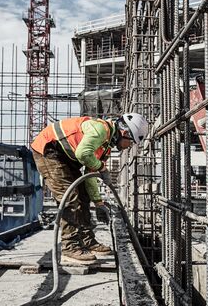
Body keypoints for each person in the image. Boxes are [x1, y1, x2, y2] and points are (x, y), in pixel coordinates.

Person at [30, 113, 149, 264]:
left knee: (83, 195)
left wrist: (98, 203)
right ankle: (70, 248)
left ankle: (87, 241)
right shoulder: (100, 130)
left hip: (66, 157)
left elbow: (89, 175)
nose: (129, 147)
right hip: (49, 150)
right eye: (130, 142)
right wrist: (102, 168)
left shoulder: (105, 146)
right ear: (125, 133)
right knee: (70, 198)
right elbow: (83, 153)